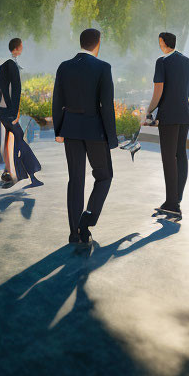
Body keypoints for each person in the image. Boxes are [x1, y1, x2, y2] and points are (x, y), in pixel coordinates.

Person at [52, 28, 117, 246]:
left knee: (75, 179)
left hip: (70, 129)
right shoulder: (103, 67)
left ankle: (74, 233)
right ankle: (86, 221)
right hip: (95, 131)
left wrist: (59, 130)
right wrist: (112, 138)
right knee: (104, 176)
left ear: (81, 43)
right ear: (97, 43)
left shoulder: (64, 66)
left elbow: (57, 100)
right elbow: (107, 106)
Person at [144, 31, 189, 220]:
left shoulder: (162, 62)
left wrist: (149, 110)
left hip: (168, 116)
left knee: (168, 158)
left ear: (163, 43)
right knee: (180, 154)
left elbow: (159, 90)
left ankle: (172, 205)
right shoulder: (188, 62)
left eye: (160, 42)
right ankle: (175, 200)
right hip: (184, 113)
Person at [0, 38, 43, 187]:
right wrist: (15, 113)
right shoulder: (12, 65)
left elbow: (0, 88)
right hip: (9, 112)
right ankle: (25, 175)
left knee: (14, 142)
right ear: (19, 47)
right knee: (19, 141)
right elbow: (15, 90)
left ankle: (15, 174)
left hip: (3, 111)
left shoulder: (4, 64)